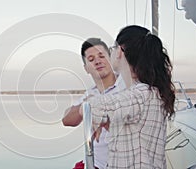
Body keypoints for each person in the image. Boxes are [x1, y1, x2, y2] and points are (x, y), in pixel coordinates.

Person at [87, 25, 175, 168]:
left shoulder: (141, 94)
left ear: (121, 51)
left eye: (113, 48)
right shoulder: (150, 92)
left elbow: (94, 106)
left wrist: (91, 114)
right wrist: (107, 123)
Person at [62, 38, 125, 169]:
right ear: (86, 69)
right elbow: (67, 120)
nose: (97, 61)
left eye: (102, 56)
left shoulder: (126, 85)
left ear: (111, 58)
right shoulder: (90, 94)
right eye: (91, 59)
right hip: (96, 164)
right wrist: (85, 107)